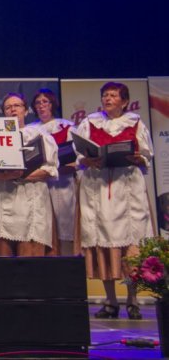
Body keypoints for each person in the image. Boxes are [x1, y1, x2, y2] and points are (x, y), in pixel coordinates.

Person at [75, 82, 154, 320]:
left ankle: (132, 300)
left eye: (113, 95)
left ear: (124, 101)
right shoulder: (90, 122)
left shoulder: (135, 122)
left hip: (127, 188)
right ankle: (110, 301)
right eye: (105, 95)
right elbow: (78, 151)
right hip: (98, 188)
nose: (108, 98)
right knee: (102, 242)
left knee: (131, 245)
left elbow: (147, 154)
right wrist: (86, 160)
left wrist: (137, 157)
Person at [0, 92, 58, 257]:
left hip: (31, 200)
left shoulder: (40, 134)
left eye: (17, 106)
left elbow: (49, 168)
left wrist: (20, 176)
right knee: (1, 255)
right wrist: (4, 176)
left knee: (30, 257)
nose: (13, 110)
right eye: (8, 107)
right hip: (1, 199)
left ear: (26, 111)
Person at [29, 88, 77, 256]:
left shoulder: (67, 126)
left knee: (64, 227)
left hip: (63, 185)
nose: (41, 106)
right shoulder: (30, 129)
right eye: (37, 103)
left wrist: (58, 169)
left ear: (52, 104)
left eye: (45, 102)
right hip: (37, 184)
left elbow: (77, 159)